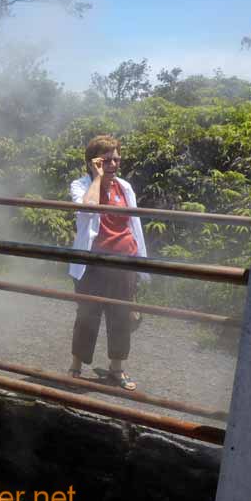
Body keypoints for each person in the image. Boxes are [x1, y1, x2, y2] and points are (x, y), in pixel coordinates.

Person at [68, 135, 147, 390]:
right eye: (107, 159)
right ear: (94, 161)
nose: (114, 163)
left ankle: (116, 369)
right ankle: (76, 367)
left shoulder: (125, 187)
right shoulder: (81, 185)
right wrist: (98, 177)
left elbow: (133, 224)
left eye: (116, 158)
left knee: (121, 316)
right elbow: (88, 208)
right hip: (93, 262)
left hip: (124, 260)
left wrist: (138, 262)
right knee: (87, 315)